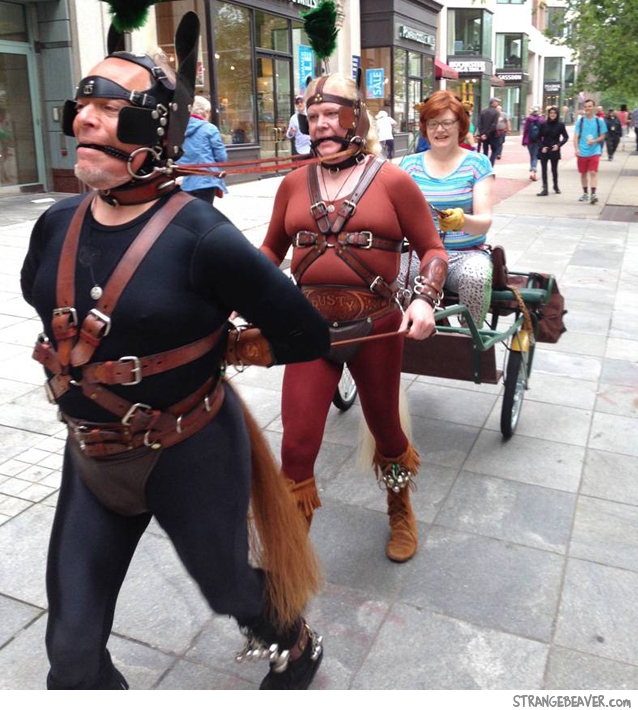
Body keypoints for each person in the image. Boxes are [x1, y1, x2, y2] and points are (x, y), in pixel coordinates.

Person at [20, 13, 329, 691]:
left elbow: (305, 333)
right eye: (83, 105)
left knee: (231, 592)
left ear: (157, 130)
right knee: (70, 653)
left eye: (111, 108)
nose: (85, 118)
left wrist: (224, 347)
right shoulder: (54, 223)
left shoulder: (204, 237)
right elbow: (37, 298)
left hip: (191, 453)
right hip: (91, 458)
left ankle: (295, 640)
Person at [260, 73, 448, 563]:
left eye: (331, 113)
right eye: (312, 116)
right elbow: (269, 251)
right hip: (309, 331)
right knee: (296, 447)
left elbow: (432, 248)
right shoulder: (292, 183)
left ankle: (400, 506)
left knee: (388, 433)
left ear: (355, 118)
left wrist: (425, 298)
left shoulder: (393, 181)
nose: (320, 124)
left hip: (378, 328)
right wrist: (235, 289)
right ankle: (289, 555)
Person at [401, 90, 494, 329]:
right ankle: (401, 336)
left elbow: (484, 221)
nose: (439, 130)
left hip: (466, 254)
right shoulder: (410, 165)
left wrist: (462, 221)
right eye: (432, 123)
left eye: (446, 123)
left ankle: (469, 337)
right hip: (421, 255)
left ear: (460, 125)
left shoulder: (477, 163)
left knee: (476, 277)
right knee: (391, 277)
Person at [179, 94, 228, 202]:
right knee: (204, 209)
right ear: (205, 112)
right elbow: (221, 157)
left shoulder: (178, 129)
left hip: (181, 180)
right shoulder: (210, 129)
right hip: (205, 181)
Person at [574, 98, 608, 203]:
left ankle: (593, 194)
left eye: (589, 106)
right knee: (583, 173)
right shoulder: (580, 121)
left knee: (593, 172)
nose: (587, 108)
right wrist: (576, 149)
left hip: (595, 150)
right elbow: (575, 137)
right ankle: (585, 194)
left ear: (594, 107)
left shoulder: (599, 121)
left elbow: (603, 136)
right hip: (582, 151)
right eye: (585, 107)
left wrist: (594, 141)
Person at [536, 105, 569, 196]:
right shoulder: (543, 124)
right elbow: (538, 137)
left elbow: (566, 137)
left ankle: (555, 186)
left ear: (557, 114)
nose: (552, 114)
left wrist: (559, 145)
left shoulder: (560, 125)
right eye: (551, 113)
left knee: (554, 169)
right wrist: (542, 147)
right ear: (548, 114)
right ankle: (545, 188)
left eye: (554, 113)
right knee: (544, 169)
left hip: (554, 149)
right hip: (545, 149)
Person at [522, 106, 544, 180]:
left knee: (532, 156)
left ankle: (532, 170)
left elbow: (525, 130)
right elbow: (544, 131)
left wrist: (524, 141)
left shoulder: (528, 119)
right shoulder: (542, 119)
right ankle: (533, 171)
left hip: (529, 140)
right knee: (535, 156)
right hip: (538, 140)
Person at [476, 97, 500, 165]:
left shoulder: (483, 111)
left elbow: (479, 124)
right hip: (492, 134)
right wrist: (487, 133)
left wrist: (482, 133)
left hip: (484, 135)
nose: (498, 103)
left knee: (485, 150)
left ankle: (485, 164)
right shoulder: (496, 112)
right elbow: (494, 125)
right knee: (494, 150)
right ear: (493, 103)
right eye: (497, 102)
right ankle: (490, 164)